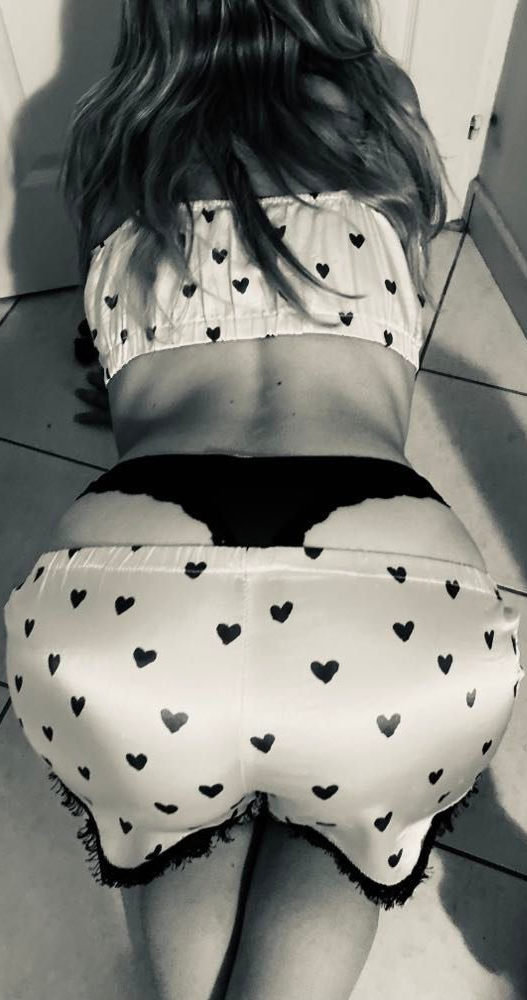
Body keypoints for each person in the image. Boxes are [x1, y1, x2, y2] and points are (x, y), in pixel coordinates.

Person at [3, 2, 523, 998]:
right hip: (394, 606)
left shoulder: (116, 138)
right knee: (341, 838)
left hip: (126, 606)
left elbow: (118, 392)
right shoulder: (381, 121)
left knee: (172, 818)